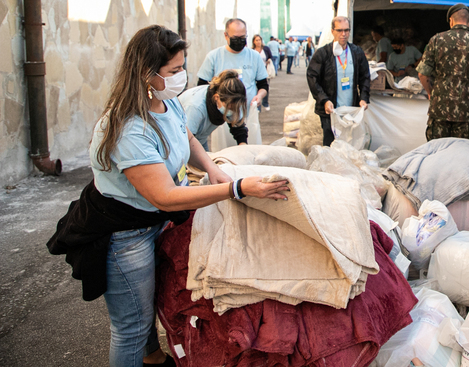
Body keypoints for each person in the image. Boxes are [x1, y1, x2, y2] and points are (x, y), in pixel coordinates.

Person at [47, 25, 289, 367]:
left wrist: (212, 169)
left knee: (145, 309)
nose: (182, 77)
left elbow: (187, 137)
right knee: (131, 325)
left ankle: (152, 358)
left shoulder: (166, 102)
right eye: (174, 71)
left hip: (152, 223)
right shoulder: (130, 127)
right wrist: (235, 188)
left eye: (182, 67)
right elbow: (165, 196)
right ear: (147, 74)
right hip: (124, 234)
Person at [417, 3, 469, 142]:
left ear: (451, 20)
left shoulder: (436, 40)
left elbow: (422, 74)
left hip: (439, 108)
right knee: (463, 153)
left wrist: (431, 92)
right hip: (466, 110)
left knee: (437, 152)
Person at [196, 19, 268, 139]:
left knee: (246, 144)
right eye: (235, 37)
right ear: (226, 35)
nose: (239, 41)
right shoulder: (214, 57)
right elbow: (202, 87)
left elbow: (263, 85)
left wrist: (259, 96)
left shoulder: (254, 56)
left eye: (242, 37)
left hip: (247, 114)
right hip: (221, 118)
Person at [306, 16, 371, 146]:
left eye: (346, 30)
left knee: (349, 142)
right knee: (331, 142)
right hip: (330, 108)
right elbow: (312, 77)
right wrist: (324, 100)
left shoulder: (356, 52)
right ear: (332, 31)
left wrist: (363, 97)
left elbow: (365, 76)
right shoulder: (323, 53)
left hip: (350, 107)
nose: (343, 34)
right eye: (339, 30)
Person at [178, 69, 248, 150]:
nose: (232, 111)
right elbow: (186, 141)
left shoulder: (228, 99)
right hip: (179, 141)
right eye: (229, 107)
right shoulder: (195, 107)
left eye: (235, 108)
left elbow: (238, 128)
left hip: (199, 139)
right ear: (216, 97)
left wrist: (243, 147)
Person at [251, 34, 273, 111]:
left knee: (264, 87)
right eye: (256, 40)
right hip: (254, 71)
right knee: (256, 88)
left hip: (264, 69)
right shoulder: (251, 51)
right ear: (253, 41)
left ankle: (265, 103)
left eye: (259, 40)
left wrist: (268, 61)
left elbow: (270, 56)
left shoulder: (265, 49)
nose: (258, 42)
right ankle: (258, 106)